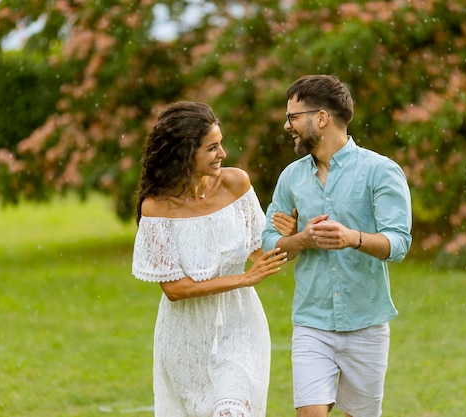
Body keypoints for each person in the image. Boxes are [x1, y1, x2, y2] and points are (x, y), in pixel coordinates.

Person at [262, 75, 413, 417]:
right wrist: (301, 239)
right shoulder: (291, 178)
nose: (287, 126)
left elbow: (399, 242)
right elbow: (268, 242)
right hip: (312, 324)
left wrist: (352, 238)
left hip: (367, 324)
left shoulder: (381, 171)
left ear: (321, 118)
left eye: (293, 117)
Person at [131, 101, 288, 417]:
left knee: (233, 410)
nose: (223, 154)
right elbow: (175, 290)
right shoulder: (156, 207)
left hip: (240, 325)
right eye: (212, 148)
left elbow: (260, 251)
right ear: (185, 153)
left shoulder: (235, 183)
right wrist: (244, 278)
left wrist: (292, 236)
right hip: (185, 338)